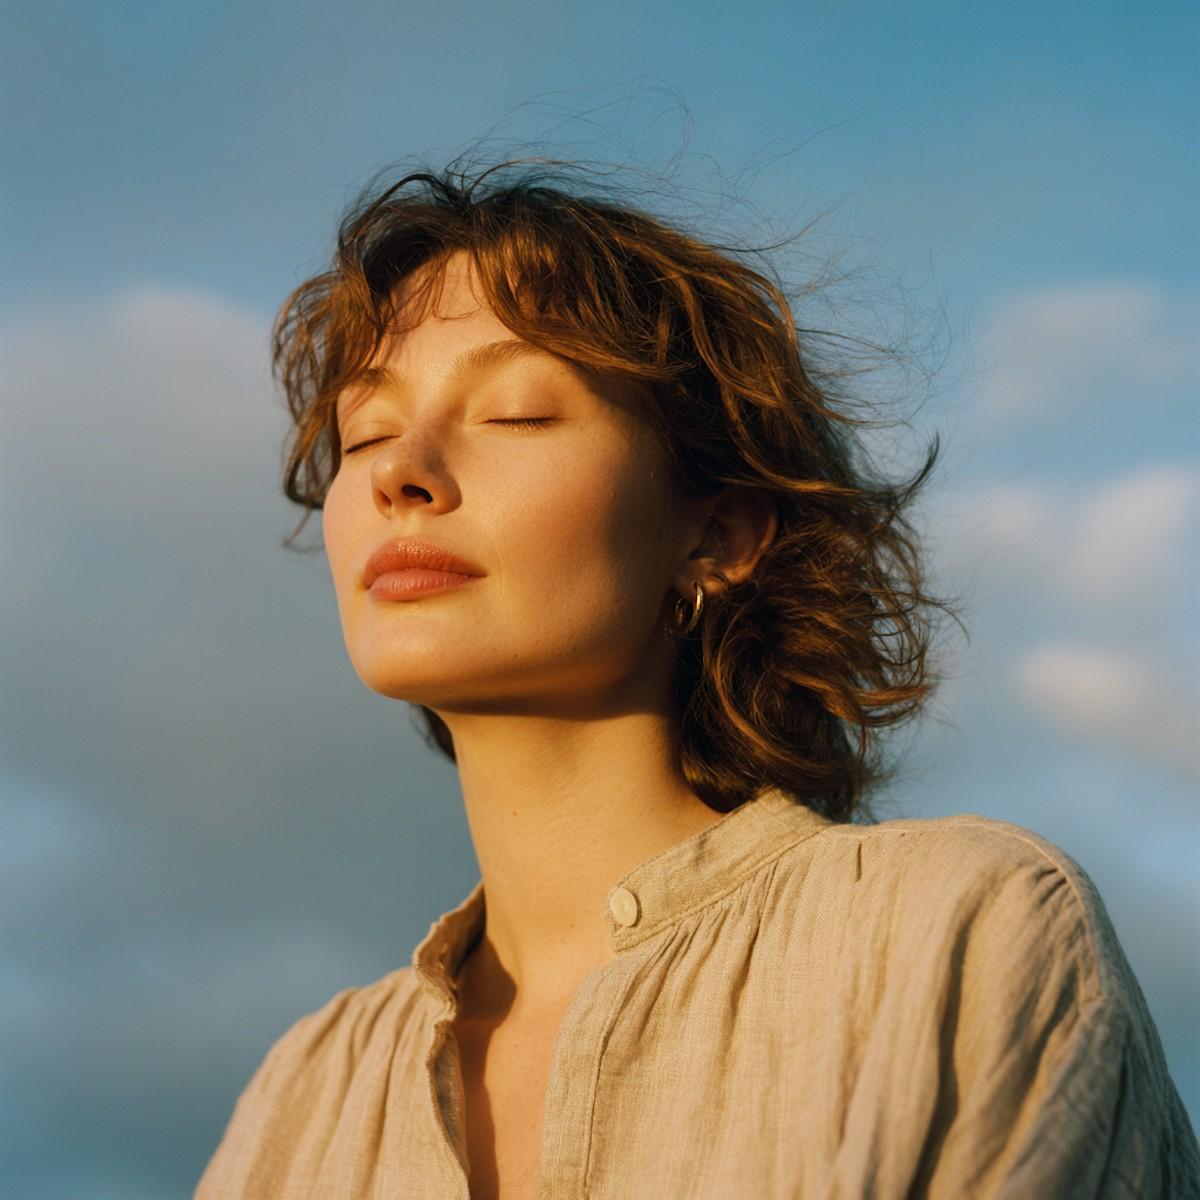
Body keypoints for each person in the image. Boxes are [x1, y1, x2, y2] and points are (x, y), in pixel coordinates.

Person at [194, 159, 1199, 1199]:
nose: (400, 472)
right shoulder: (305, 1095)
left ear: (715, 534)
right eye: (365, 431)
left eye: (517, 413)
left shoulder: (958, 934)